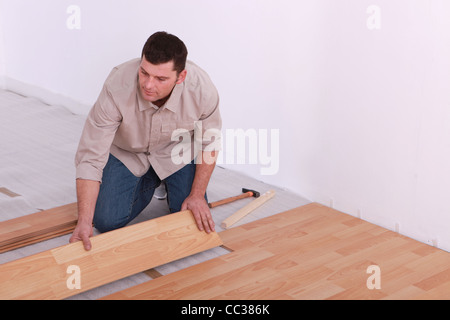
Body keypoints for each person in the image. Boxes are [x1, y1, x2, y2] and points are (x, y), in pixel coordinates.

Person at [69, 31, 222, 251]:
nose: (148, 85)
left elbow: (210, 143)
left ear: (181, 77)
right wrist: (83, 221)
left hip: (176, 152)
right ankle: (154, 180)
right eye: (144, 73)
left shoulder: (203, 90)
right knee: (106, 220)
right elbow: (91, 155)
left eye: (160, 79)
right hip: (129, 152)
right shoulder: (117, 86)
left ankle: (169, 180)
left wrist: (197, 195)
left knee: (189, 219)